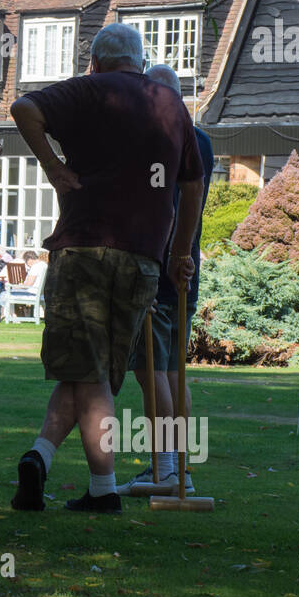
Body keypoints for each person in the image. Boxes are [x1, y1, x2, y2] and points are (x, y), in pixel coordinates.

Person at [9, 23, 203, 514]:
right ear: (141, 61)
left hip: (85, 246)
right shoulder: (171, 105)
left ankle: (103, 490)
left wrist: (53, 166)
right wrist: (182, 254)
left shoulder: (90, 89)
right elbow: (193, 185)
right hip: (144, 257)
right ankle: (41, 455)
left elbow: (24, 109)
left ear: (95, 61)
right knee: (96, 370)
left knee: (89, 370)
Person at [120, 64, 214, 495]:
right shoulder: (203, 143)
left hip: (158, 270)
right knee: (175, 373)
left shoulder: (157, 142)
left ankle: (166, 469)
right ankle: (182, 471)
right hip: (186, 270)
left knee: (151, 369)